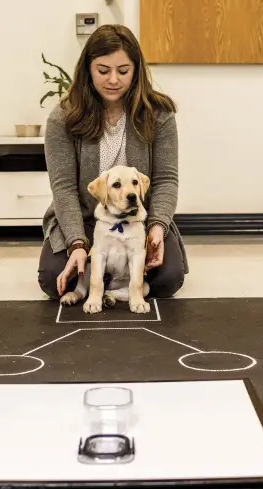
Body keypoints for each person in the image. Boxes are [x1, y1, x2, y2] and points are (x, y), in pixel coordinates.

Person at [38, 24, 188, 301]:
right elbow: (64, 189)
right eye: (103, 70)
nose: (113, 80)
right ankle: (102, 277)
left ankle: (115, 287)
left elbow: (166, 179)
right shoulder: (63, 118)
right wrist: (77, 244)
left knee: (168, 279)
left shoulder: (160, 115)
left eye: (123, 71)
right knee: (53, 280)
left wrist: (156, 227)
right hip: (84, 221)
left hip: (139, 221)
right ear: (88, 70)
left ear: (136, 70)